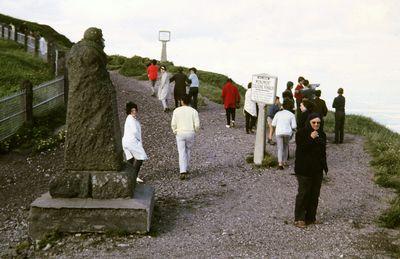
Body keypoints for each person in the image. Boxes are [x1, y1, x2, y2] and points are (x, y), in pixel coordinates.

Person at [294, 113, 328, 228]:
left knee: (314, 195)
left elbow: (323, 152)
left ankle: (311, 218)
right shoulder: (301, 133)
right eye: (314, 122)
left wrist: (324, 166)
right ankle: (299, 218)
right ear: (309, 122)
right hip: (304, 169)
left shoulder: (322, 134)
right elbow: (301, 149)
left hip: (317, 170)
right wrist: (311, 138)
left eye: (318, 122)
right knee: (303, 194)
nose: (316, 124)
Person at [171, 94, 200, 180]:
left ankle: (182, 170)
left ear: (182, 101)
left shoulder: (176, 111)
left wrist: (174, 131)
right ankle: (186, 168)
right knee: (188, 150)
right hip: (190, 132)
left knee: (181, 152)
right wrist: (195, 131)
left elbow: (173, 123)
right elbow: (197, 125)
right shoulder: (194, 111)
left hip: (180, 133)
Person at [122, 102, 148, 183]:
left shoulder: (129, 118)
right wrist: (138, 140)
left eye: (135, 110)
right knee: (140, 157)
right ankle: (134, 177)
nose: (134, 112)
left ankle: (128, 177)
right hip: (132, 141)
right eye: (132, 110)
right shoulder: (131, 119)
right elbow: (135, 131)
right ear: (129, 111)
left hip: (126, 142)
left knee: (130, 159)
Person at [271, 100, 297, 170]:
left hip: (279, 132)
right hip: (287, 133)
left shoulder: (278, 114)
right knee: (285, 147)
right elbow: (294, 126)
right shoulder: (292, 115)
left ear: (283, 106)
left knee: (280, 148)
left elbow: (273, 124)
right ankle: (285, 162)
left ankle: (280, 164)